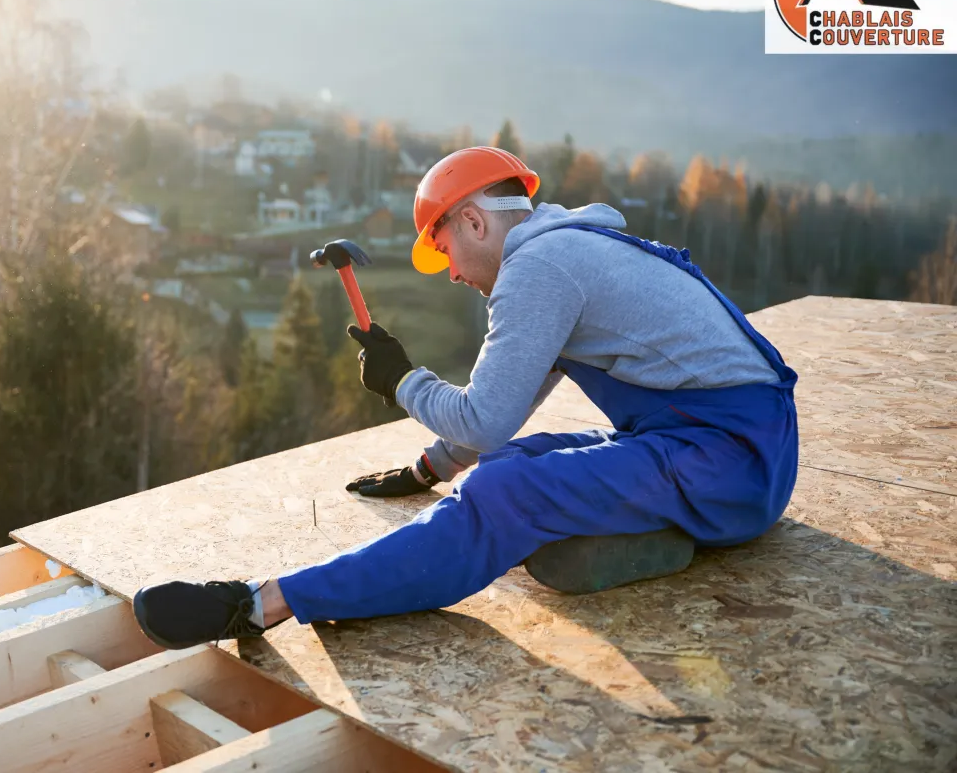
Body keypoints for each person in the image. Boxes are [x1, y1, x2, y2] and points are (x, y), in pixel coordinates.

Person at [131, 146, 799, 650]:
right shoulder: (568, 252)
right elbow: (509, 409)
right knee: (510, 462)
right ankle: (657, 533)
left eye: (445, 247)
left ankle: (262, 603)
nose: (450, 272)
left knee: (506, 495)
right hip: (725, 447)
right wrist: (432, 468)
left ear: (475, 221)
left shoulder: (538, 268)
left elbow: (485, 413)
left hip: (732, 464)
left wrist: (400, 382)